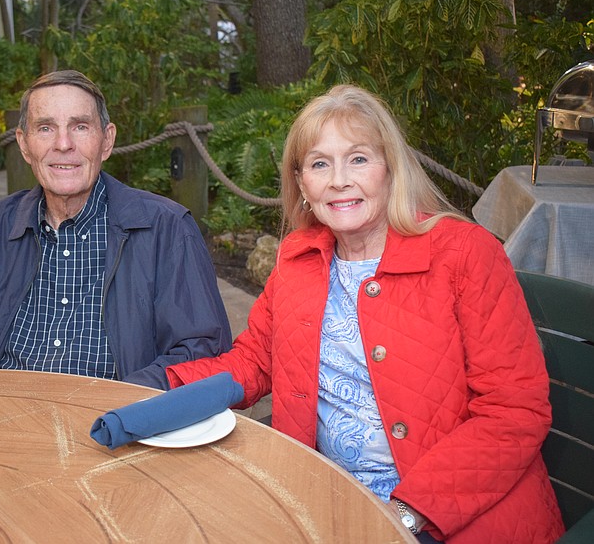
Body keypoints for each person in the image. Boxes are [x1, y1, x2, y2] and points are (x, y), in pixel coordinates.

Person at [166, 85, 564, 543]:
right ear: (301, 184)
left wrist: (405, 514)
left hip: (451, 516)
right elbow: (255, 360)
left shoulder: (466, 254)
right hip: (327, 496)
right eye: (320, 163)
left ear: (390, 169)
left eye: (358, 159)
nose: (339, 180)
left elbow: (513, 411)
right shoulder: (300, 258)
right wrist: (163, 389)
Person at [0, 70, 232, 390]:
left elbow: (201, 351)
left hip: (114, 426)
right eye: (45, 128)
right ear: (24, 144)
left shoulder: (168, 229)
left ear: (106, 141)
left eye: (80, 126)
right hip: (4, 418)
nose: (63, 144)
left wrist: (115, 405)